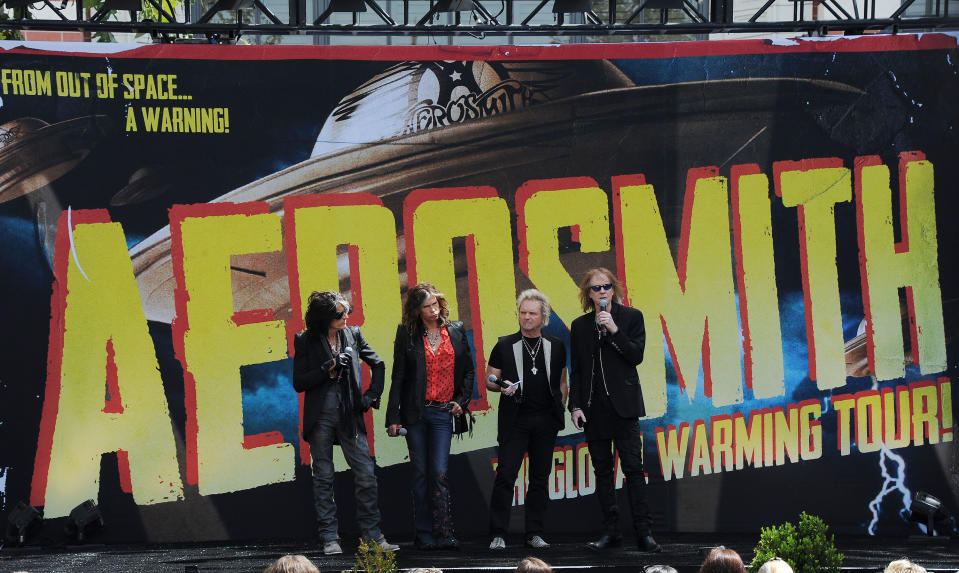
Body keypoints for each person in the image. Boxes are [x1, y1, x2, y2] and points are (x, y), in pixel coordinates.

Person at [293, 291, 399, 556]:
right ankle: (330, 537)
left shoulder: (353, 334)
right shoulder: (305, 340)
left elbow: (379, 364)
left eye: (346, 312)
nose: (345, 317)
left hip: (350, 416)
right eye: (339, 314)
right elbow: (299, 382)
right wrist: (327, 368)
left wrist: (371, 395)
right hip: (320, 419)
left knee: (365, 474)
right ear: (324, 317)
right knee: (324, 478)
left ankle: (374, 537)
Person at [568, 267, 661, 553]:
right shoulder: (581, 326)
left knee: (634, 469)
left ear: (614, 289)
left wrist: (614, 330)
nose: (602, 292)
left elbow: (636, 355)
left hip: (625, 408)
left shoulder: (631, 318)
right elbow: (579, 370)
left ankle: (644, 533)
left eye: (606, 286)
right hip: (594, 409)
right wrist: (575, 406)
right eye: (595, 288)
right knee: (603, 473)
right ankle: (612, 532)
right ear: (588, 294)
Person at [386, 282, 475, 550]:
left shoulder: (456, 330)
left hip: (442, 412)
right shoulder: (407, 333)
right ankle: (424, 535)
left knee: (439, 472)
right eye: (427, 306)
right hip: (415, 413)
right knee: (421, 474)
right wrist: (393, 417)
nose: (433, 310)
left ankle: (444, 533)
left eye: (435, 304)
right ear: (416, 309)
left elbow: (469, 371)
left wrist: (461, 401)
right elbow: (398, 376)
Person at [486, 289, 567, 550]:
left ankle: (534, 533)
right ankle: (498, 533)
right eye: (523, 313)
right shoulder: (504, 344)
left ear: (543, 316)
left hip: (546, 420)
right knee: (506, 475)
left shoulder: (556, 345)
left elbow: (563, 381)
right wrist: (502, 387)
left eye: (532, 313)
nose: (526, 318)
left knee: (540, 479)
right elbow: (489, 380)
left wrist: (560, 406)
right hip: (515, 420)